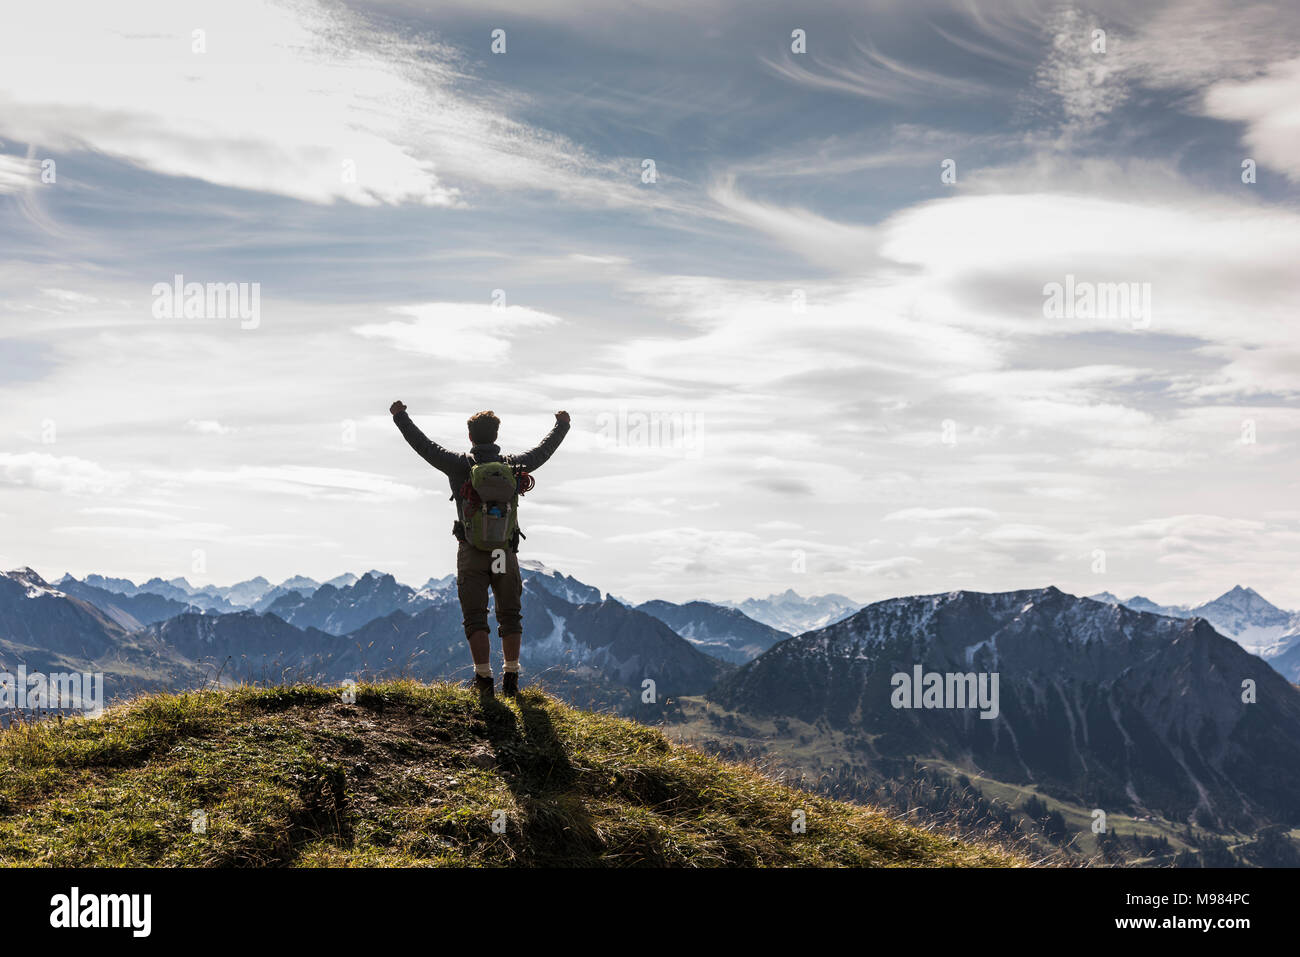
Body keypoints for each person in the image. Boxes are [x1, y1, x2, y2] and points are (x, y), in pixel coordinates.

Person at [390, 400, 570, 698]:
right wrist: (561, 426)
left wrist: (401, 417)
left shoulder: (459, 464)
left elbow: (422, 445)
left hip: (472, 551)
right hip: (503, 552)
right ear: (496, 436)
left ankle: (483, 679)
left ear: (470, 436)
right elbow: (543, 451)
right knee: (509, 614)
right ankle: (511, 676)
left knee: (476, 615)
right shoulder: (514, 465)